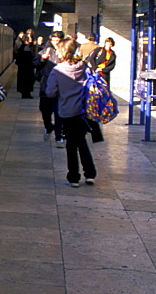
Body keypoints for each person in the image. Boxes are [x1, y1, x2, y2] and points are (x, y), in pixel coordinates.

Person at [45, 38, 97, 187]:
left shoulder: (58, 70)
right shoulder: (85, 67)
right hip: (84, 112)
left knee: (71, 145)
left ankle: (73, 177)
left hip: (66, 111)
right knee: (82, 141)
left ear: (62, 52)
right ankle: (90, 174)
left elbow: (50, 92)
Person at [34, 31, 66, 146]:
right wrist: (43, 59)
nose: (56, 43)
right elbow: (36, 64)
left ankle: (59, 136)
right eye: (54, 40)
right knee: (45, 111)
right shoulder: (45, 51)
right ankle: (48, 126)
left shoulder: (67, 52)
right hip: (46, 86)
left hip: (61, 88)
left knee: (59, 112)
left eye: (58, 40)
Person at [14, 33, 36, 98]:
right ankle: (26, 94)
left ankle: (25, 93)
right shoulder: (26, 48)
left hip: (22, 68)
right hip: (27, 69)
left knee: (23, 81)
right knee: (27, 81)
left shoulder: (22, 47)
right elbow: (28, 58)